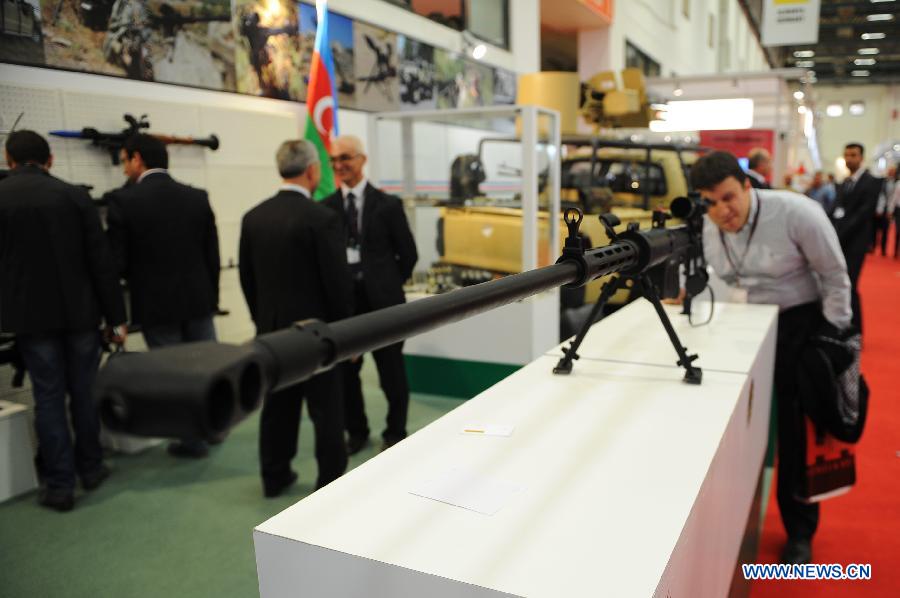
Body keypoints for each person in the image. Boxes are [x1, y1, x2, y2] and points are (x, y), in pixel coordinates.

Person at [690, 151, 852, 566]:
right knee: (734, 419)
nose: (722, 211)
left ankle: (800, 532)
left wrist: (831, 342)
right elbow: (719, 278)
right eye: (710, 203)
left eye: (728, 197)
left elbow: (835, 277)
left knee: (798, 435)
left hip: (803, 324)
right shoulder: (711, 226)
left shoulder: (798, 213)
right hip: (743, 325)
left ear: (747, 185)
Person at [0, 131, 127, 511]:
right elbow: (100, 264)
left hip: (30, 320)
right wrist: (116, 317)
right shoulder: (74, 196)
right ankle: (90, 468)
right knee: (84, 393)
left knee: (48, 397)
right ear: (50, 159)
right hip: (81, 316)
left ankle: (59, 485)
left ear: (9, 159)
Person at [239, 139, 353, 496]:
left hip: (272, 333)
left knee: (277, 406)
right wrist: (346, 333)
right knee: (326, 409)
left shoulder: (253, 217)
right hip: (317, 334)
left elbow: (248, 279)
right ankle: (331, 483)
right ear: (311, 171)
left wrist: (264, 319)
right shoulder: (322, 218)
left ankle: (274, 475)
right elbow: (337, 282)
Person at [104, 134, 220, 458]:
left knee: (173, 375)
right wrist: (210, 297)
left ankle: (192, 439)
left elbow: (118, 262)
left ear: (138, 159)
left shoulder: (123, 202)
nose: (124, 167)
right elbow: (212, 255)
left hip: (156, 304)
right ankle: (216, 425)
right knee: (207, 366)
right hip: (198, 299)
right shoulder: (197, 197)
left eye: (125, 159)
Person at [324, 135, 418, 454]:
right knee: (347, 375)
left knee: (392, 372)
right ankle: (357, 431)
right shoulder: (326, 209)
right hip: (346, 307)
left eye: (345, 159)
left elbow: (409, 254)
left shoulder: (388, 205)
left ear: (362, 160)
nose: (339, 166)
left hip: (384, 305)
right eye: (334, 161)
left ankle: (395, 431)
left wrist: (387, 283)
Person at [829, 142, 883, 335]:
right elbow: (836, 209)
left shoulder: (872, 182)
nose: (849, 159)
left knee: (850, 285)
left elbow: (863, 214)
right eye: (846, 155)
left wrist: (838, 234)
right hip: (839, 241)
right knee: (840, 284)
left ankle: (856, 330)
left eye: (853, 155)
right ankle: (843, 324)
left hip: (855, 243)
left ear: (861, 157)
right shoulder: (844, 182)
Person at [874, 166, 896, 257]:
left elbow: (894, 198)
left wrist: (890, 211)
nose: (890, 173)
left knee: (886, 230)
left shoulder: (897, 183)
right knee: (875, 230)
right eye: (889, 171)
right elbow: (879, 196)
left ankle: (883, 249)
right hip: (880, 209)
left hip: (889, 209)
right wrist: (878, 209)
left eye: (892, 171)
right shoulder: (882, 181)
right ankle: (873, 246)